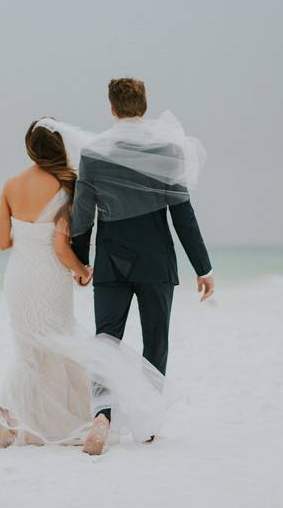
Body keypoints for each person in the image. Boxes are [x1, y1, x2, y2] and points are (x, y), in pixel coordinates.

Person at [0, 116, 180, 448]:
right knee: (59, 340)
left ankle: (6, 411)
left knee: (29, 349)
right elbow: (63, 247)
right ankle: (50, 414)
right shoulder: (67, 184)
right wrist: (82, 268)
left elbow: (3, 243)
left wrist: (28, 236)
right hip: (49, 276)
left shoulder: (10, 185)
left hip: (19, 276)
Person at [70, 77, 214, 455]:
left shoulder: (94, 152)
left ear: (112, 108)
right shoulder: (167, 150)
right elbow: (183, 213)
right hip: (156, 261)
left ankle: (102, 414)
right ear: (144, 106)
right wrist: (203, 266)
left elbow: (82, 216)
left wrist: (80, 260)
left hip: (112, 262)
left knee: (106, 341)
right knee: (156, 340)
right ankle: (147, 426)